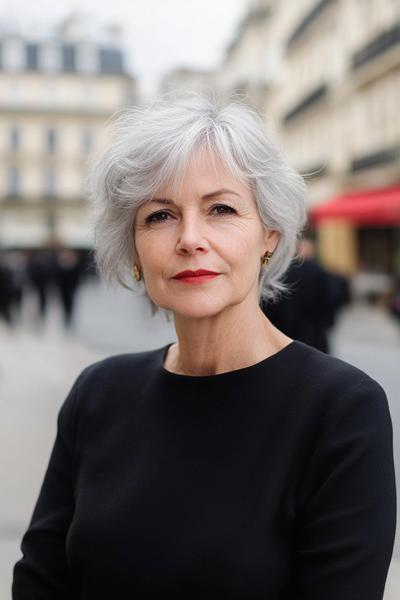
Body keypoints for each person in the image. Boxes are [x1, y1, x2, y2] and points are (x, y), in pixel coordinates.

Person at [12, 92, 396, 599]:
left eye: (220, 208)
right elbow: (40, 582)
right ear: (133, 251)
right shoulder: (98, 394)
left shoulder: (341, 411)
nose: (190, 238)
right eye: (159, 216)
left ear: (269, 238)